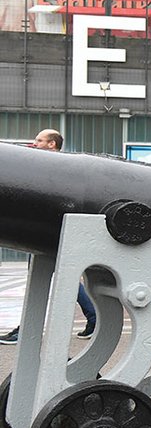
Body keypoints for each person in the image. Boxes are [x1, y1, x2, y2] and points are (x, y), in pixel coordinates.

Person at [0, 129, 97, 345]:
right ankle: (93, 317)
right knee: (57, 278)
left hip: (47, 233)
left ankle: (24, 331)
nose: (34, 144)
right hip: (49, 231)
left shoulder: (52, 169)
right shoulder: (54, 167)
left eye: (39, 140)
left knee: (41, 279)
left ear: (52, 144)